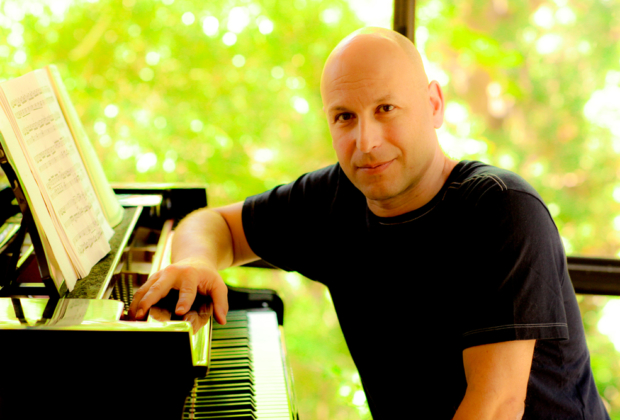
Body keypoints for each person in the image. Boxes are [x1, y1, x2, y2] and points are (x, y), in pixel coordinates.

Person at [129, 27, 609, 419]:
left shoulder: (501, 209)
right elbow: (213, 224)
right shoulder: (334, 198)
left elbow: (496, 408)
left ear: (434, 105)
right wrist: (197, 261)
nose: (366, 142)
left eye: (385, 109)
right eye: (344, 117)